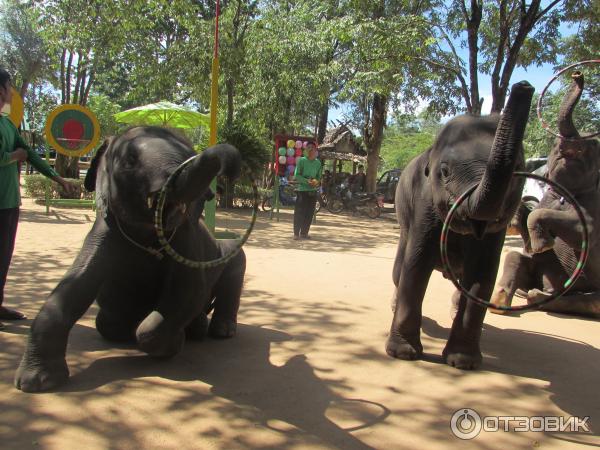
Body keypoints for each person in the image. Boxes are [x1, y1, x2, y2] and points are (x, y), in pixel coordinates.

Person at [0, 68, 76, 331]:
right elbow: (16, 155)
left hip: (9, 202)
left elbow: (29, 153)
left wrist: (58, 178)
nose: (12, 91)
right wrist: (14, 157)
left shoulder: (8, 124)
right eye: (10, 86)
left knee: (4, 255)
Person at [293, 142, 322, 239]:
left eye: (312, 148)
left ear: (315, 150)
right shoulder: (302, 160)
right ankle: (296, 234)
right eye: (308, 148)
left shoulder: (318, 163)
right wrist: (306, 181)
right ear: (306, 150)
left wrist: (316, 182)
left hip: (313, 191)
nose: (310, 149)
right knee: (300, 212)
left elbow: (319, 177)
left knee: (309, 213)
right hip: (302, 190)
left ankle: (304, 233)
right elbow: (297, 175)